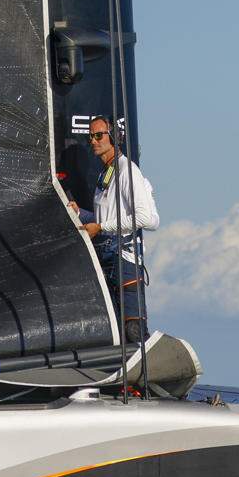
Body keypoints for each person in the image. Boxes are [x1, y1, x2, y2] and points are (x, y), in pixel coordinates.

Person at [82, 115, 158, 346]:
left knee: (132, 331)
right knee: (114, 330)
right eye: (90, 137)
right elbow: (105, 217)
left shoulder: (127, 171)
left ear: (114, 137)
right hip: (107, 257)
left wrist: (101, 227)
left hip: (124, 261)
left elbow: (148, 219)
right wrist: (81, 214)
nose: (93, 141)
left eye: (98, 135)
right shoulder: (106, 174)